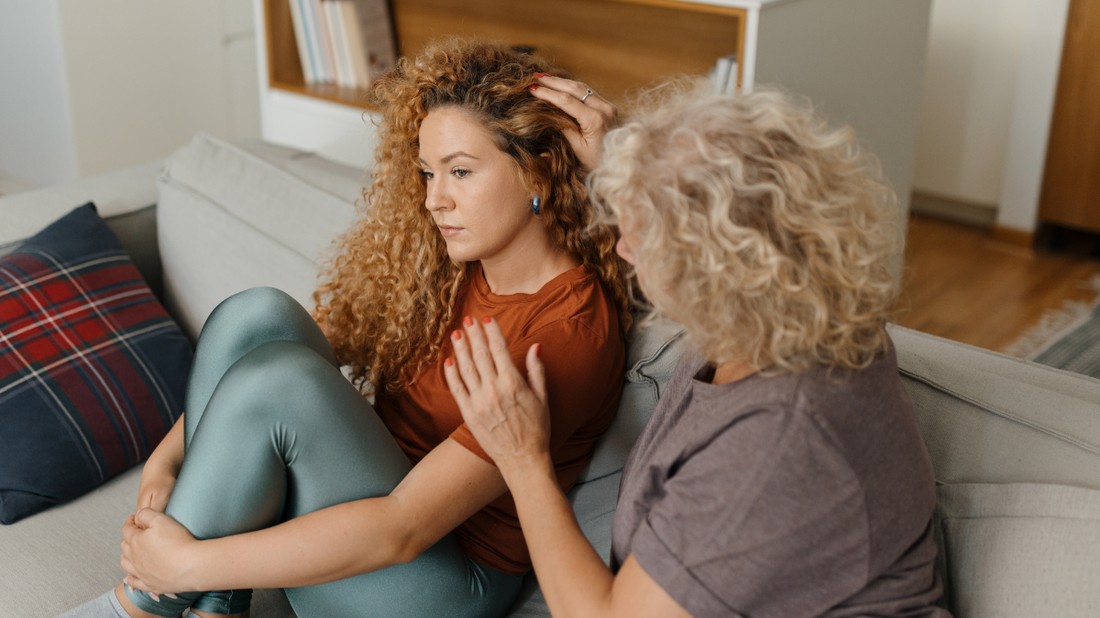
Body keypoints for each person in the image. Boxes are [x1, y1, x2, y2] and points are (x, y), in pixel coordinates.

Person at [65, 38, 630, 618]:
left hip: (440, 581)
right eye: (428, 173)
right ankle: (215, 606)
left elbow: (403, 528)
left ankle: (140, 604)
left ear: (538, 171)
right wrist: (165, 464)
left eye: (460, 172)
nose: (436, 200)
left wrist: (187, 563)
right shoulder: (451, 264)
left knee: (284, 382)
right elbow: (261, 343)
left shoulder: (568, 331)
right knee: (258, 314)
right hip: (375, 497)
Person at [445, 82, 949, 616]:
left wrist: (523, 459)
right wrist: (635, 167)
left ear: (712, 272)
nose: (622, 247)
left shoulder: (776, 444)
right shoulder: (797, 307)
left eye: (641, 235)